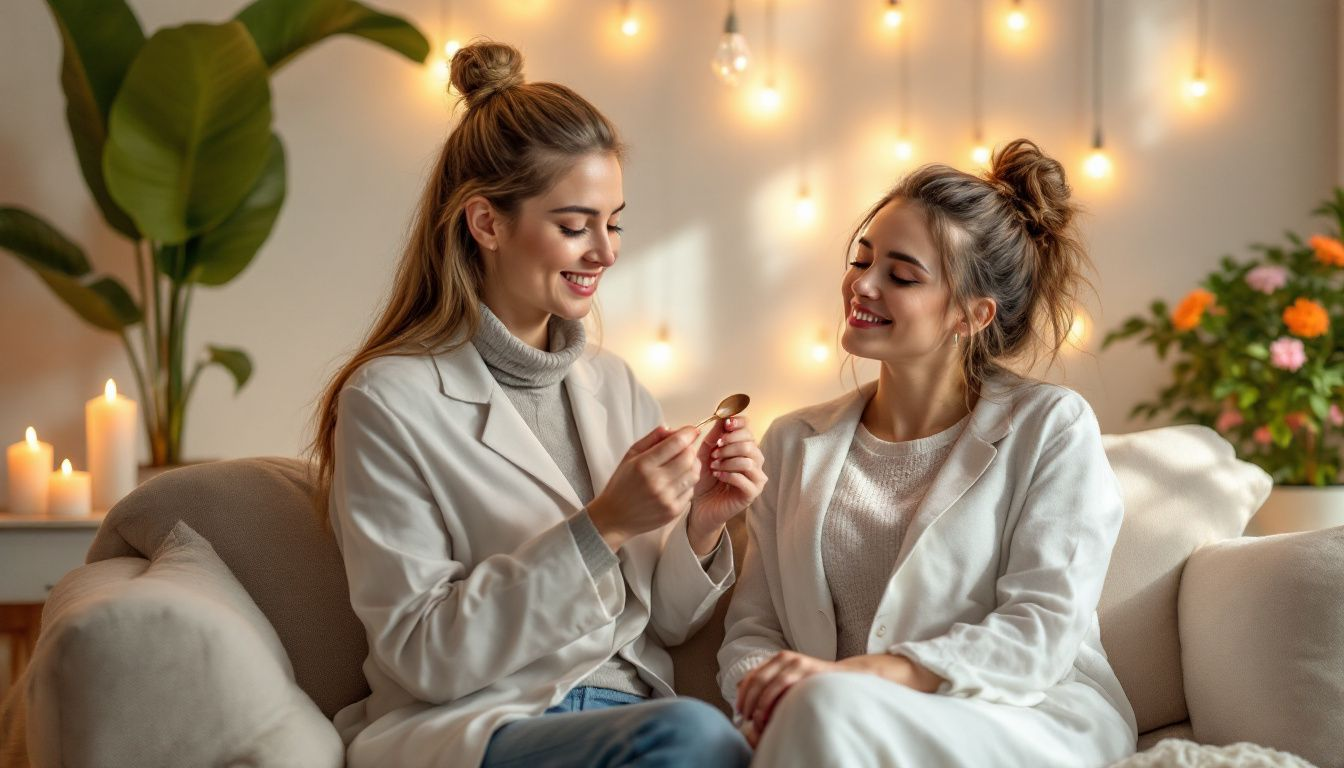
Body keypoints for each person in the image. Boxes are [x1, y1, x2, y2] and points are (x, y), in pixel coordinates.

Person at [311, 40, 762, 768]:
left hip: (629, 716)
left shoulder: (614, 385)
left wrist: (701, 526)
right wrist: (603, 523)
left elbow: (667, 625)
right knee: (694, 736)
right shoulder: (387, 401)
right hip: (486, 725)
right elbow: (425, 651)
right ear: (487, 224)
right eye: (574, 225)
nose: (606, 252)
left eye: (613, 223)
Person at [718, 139, 1137, 766]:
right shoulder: (793, 441)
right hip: (839, 728)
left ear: (972, 315)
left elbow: (1039, 635)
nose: (863, 284)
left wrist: (856, 677)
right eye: (862, 260)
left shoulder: (1051, 426)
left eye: (902, 275)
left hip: (1027, 717)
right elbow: (755, 630)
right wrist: (765, 697)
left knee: (825, 708)